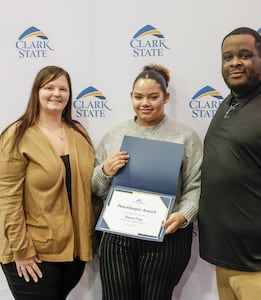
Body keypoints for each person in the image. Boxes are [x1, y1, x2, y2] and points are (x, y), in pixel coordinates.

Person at [198, 27, 261, 300]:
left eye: (245, 55)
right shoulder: (229, 103)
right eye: (227, 57)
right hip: (227, 264)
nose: (234, 63)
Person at [92, 64, 202, 300]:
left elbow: (196, 185)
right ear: (131, 97)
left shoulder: (185, 136)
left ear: (166, 97)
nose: (145, 103)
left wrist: (184, 215)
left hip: (166, 235)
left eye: (153, 97)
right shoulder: (114, 135)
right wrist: (104, 171)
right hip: (117, 236)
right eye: (139, 97)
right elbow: (95, 188)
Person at [0, 65, 95, 300]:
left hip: (73, 253)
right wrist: (21, 250)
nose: (56, 93)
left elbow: (92, 185)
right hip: (32, 254)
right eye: (49, 87)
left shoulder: (78, 133)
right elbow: (7, 198)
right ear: (36, 92)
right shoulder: (17, 135)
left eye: (63, 88)